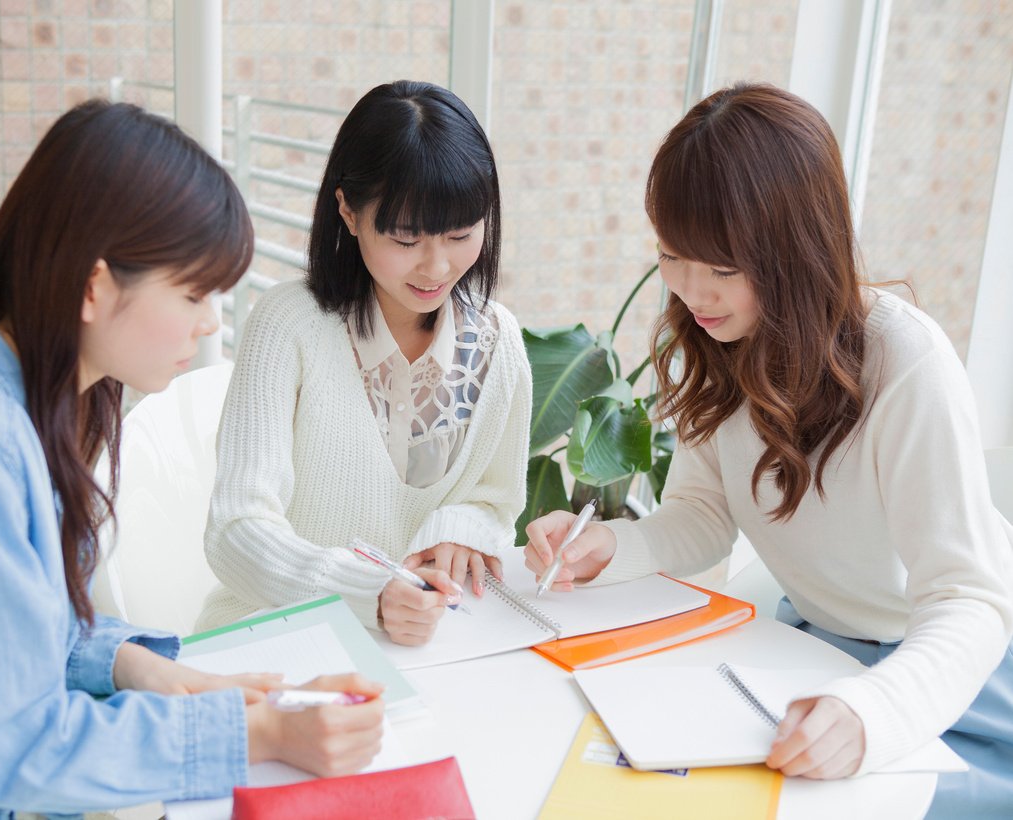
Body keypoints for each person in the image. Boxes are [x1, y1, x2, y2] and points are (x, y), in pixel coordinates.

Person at [0, 100, 384, 818]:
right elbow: (24, 750)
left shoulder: (6, 408)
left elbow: (1, 631)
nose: (209, 322)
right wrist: (257, 732)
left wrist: (134, 666)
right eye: (193, 291)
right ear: (94, 286)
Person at [524, 83, 1013, 817]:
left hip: (953, 673)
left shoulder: (905, 362)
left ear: (796, 251)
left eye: (722, 269)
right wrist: (609, 548)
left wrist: (873, 714)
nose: (692, 292)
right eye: (671, 256)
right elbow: (701, 512)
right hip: (815, 650)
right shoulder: (712, 337)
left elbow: (970, 600)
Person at [198, 80, 532, 646]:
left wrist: (457, 529)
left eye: (460, 234)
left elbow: (496, 499)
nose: (437, 266)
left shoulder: (498, 342)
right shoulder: (288, 325)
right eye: (406, 239)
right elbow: (236, 532)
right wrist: (366, 591)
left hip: (426, 651)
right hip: (272, 643)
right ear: (349, 213)